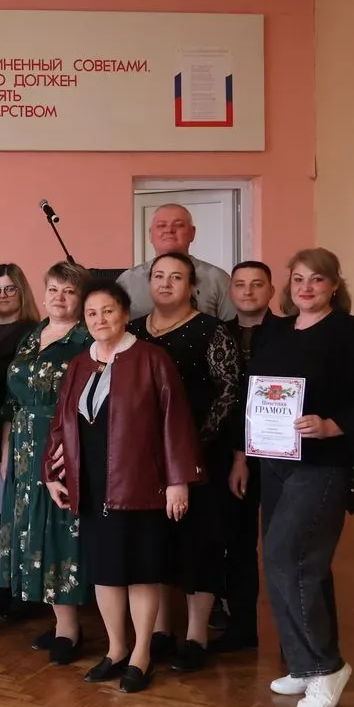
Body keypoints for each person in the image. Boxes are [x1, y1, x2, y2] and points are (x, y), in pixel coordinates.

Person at [245, 248, 354, 707]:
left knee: (288, 557)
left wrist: (334, 425)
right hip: (275, 461)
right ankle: (303, 663)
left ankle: (326, 667)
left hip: (324, 464)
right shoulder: (276, 333)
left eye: (316, 279)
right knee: (296, 563)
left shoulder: (353, 332)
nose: (306, 287)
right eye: (298, 279)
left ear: (333, 285)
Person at [45, 281, 200, 694]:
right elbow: (61, 423)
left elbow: (175, 422)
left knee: (141, 571)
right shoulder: (80, 363)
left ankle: (141, 655)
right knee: (106, 571)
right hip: (92, 484)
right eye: (92, 313)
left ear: (125, 314)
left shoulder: (151, 358)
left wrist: (178, 481)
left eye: (108, 311)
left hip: (140, 482)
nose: (100, 319)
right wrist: (52, 473)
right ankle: (116, 650)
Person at [128, 252, 242, 674]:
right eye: (158, 276)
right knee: (154, 541)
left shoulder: (211, 330)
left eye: (176, 277)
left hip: (200, 455)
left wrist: (190, 444)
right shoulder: (133, 331)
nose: (165, 283)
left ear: (192, 286)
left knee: (200, 542)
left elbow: (230, 390)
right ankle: (160, 630)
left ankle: (196, 635)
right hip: (144, 459)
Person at [0, 262, 92, 665]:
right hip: (23, 444)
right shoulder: (32, 335)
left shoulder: (86, 339)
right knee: (31, 528)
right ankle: (58, 621)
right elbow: (13, 398)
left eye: (69, 291)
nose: (59, 297)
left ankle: (71, 628)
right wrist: (7, 445)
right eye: (53, 289)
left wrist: (70, 445)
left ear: (81, 298)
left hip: (62, 443)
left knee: (59, 530)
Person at [216, 259, 288, 654]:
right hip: (229, 453)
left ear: (271, 290)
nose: (247, 291)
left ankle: (292, 638)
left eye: (257, 284)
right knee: (237, 542)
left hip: (279, 453)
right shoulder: (217, 333)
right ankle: (241, 627)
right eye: (240, 284)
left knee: (282, 545)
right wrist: (237, 454)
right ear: (230, 291)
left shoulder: (290, 333)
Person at [0, 262, 40, 619]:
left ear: (21, 292)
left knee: (13, 515)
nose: (2, 295)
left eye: (9, 288)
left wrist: (8, 433)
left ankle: (18, 594)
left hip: (13, 430)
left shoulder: (32, 333)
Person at [117, 204, 236, 320]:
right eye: (161, 225)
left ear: (192, 233)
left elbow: (232, 327)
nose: (169, 230)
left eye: (179, 225)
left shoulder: (218, 278)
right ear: (150, 234)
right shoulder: (128, 280)